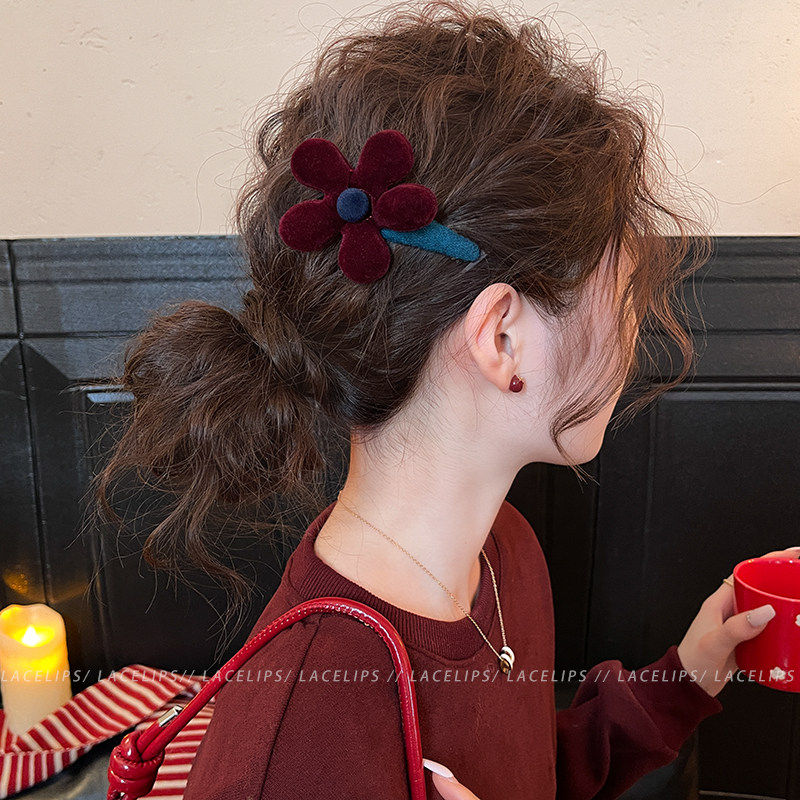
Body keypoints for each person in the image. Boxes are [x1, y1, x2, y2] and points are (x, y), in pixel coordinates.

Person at [89, 2, 797, 798]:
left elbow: (533, 774)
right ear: (502, 339)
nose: (636, 333)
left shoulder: (503, 555)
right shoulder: (300, 746)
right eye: (626, 294)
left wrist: (687, 679)